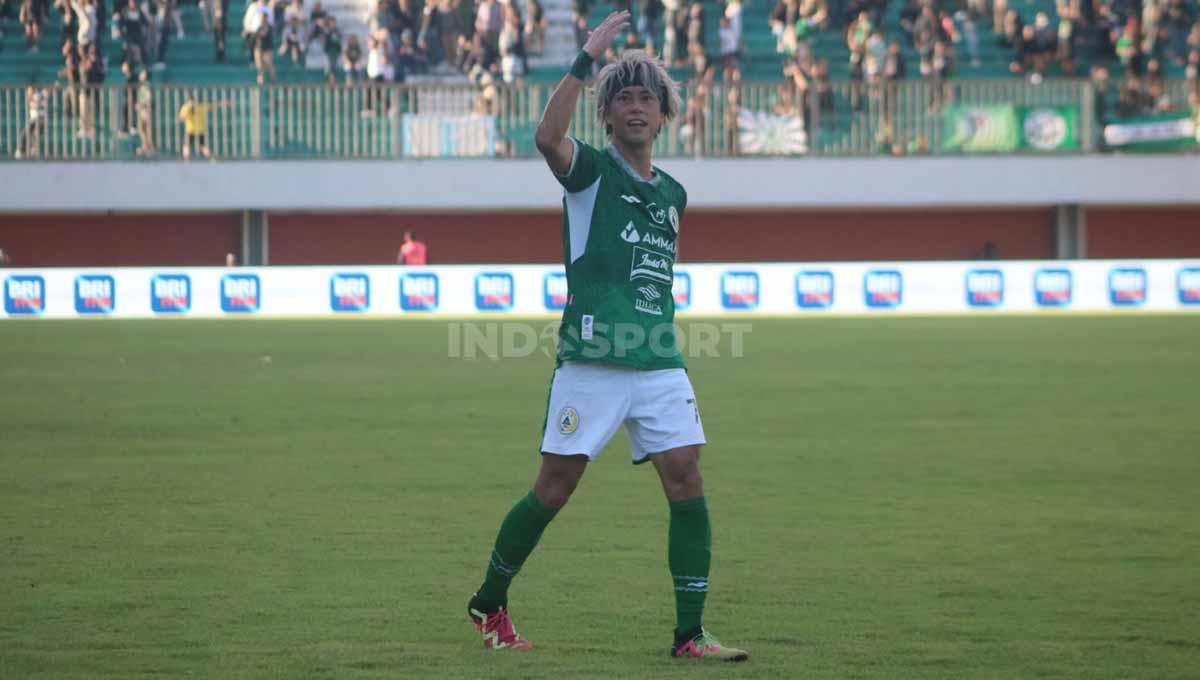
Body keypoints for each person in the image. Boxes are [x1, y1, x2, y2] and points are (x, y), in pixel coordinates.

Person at [464, 11, 749, 662]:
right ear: (610, 115)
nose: (637, 107)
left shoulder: (673, 193)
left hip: (658, 360)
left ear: (664, 111)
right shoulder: (589, 171)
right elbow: (545, 135)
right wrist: (587, 57)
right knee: (554, 490)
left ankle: (689, 635)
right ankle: (489, 599)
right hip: (592, 361)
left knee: (686, 474)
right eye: (624, 98)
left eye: (648, 97)